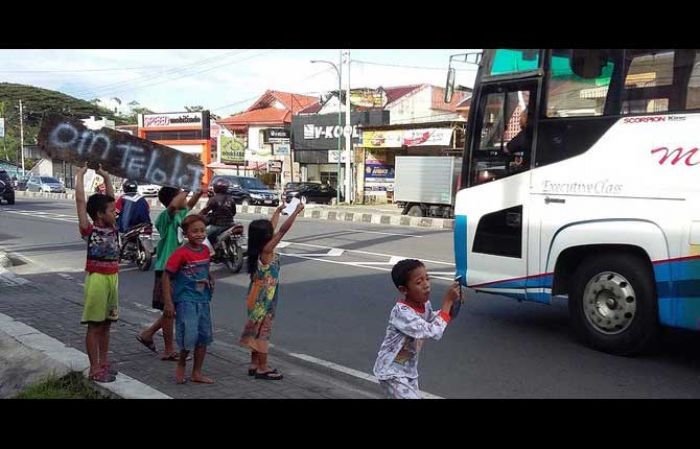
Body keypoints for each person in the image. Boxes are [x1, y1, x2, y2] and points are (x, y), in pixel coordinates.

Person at [373, 259, 461, 399]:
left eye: (427, 279)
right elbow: (434, 332)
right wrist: (447, 302)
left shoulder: (425, 305)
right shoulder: (402, 313)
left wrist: (453, 305)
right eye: (419, 282)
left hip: (408, 369)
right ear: (404, 290)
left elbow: (432, 320)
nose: (426, 285)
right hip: (391, 372)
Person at [137, 186, 205, 361]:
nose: (185, 199)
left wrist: (197, 193)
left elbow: (188, 205)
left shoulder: (182, 216)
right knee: (170, 311)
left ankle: (148, 333)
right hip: (167, 271)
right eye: (181, 197)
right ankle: (168, 349)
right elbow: (175, 206)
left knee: (172, 310)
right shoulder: (165, 218)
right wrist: (187, 189)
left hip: (181, 271)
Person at [239, 200, 304, 380]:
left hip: (256, 293)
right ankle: (262, 367)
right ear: (266, 236)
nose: (273, 231)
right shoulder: (267, 250)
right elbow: (282, 230)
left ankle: (254, 364)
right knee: (263, 333)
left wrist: (278, 211)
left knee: (256, 330)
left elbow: (274, 227)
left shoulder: (259, 248)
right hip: (263, 298)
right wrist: (296, 212)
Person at [75, 163, 120, 383]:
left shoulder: (113, 227)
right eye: (111, 211)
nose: (115, 212)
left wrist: (106, 176)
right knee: (95, 325)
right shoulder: (89, 230)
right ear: (100, 215)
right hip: (97, 280)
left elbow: (110, 198)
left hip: (112, 278)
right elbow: (81, 203)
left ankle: (104, 363)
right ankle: (94, 368)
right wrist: (80, 176)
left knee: (107, 324)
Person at [162, 214, 215, 384]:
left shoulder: (206, 250)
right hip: (185, 300)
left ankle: (197, 372)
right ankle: (182, 363)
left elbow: (206, 268)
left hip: (203, 299)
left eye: (202, 230)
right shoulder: (181, 253)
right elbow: (166, 276)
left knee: (203, 336)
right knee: (188, 336)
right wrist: (169, 302)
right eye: (195, 231)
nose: (200, 234)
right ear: (186, 234)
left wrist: (210, 278)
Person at [199, 178, 236, 246]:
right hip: (231, 224)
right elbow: (233, 212)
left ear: (215, 187)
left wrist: (197, 216)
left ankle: (209, 252)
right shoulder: (231, 199)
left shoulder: (214, 199)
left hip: (218, 225)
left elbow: (204, 211)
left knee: (203, 236)